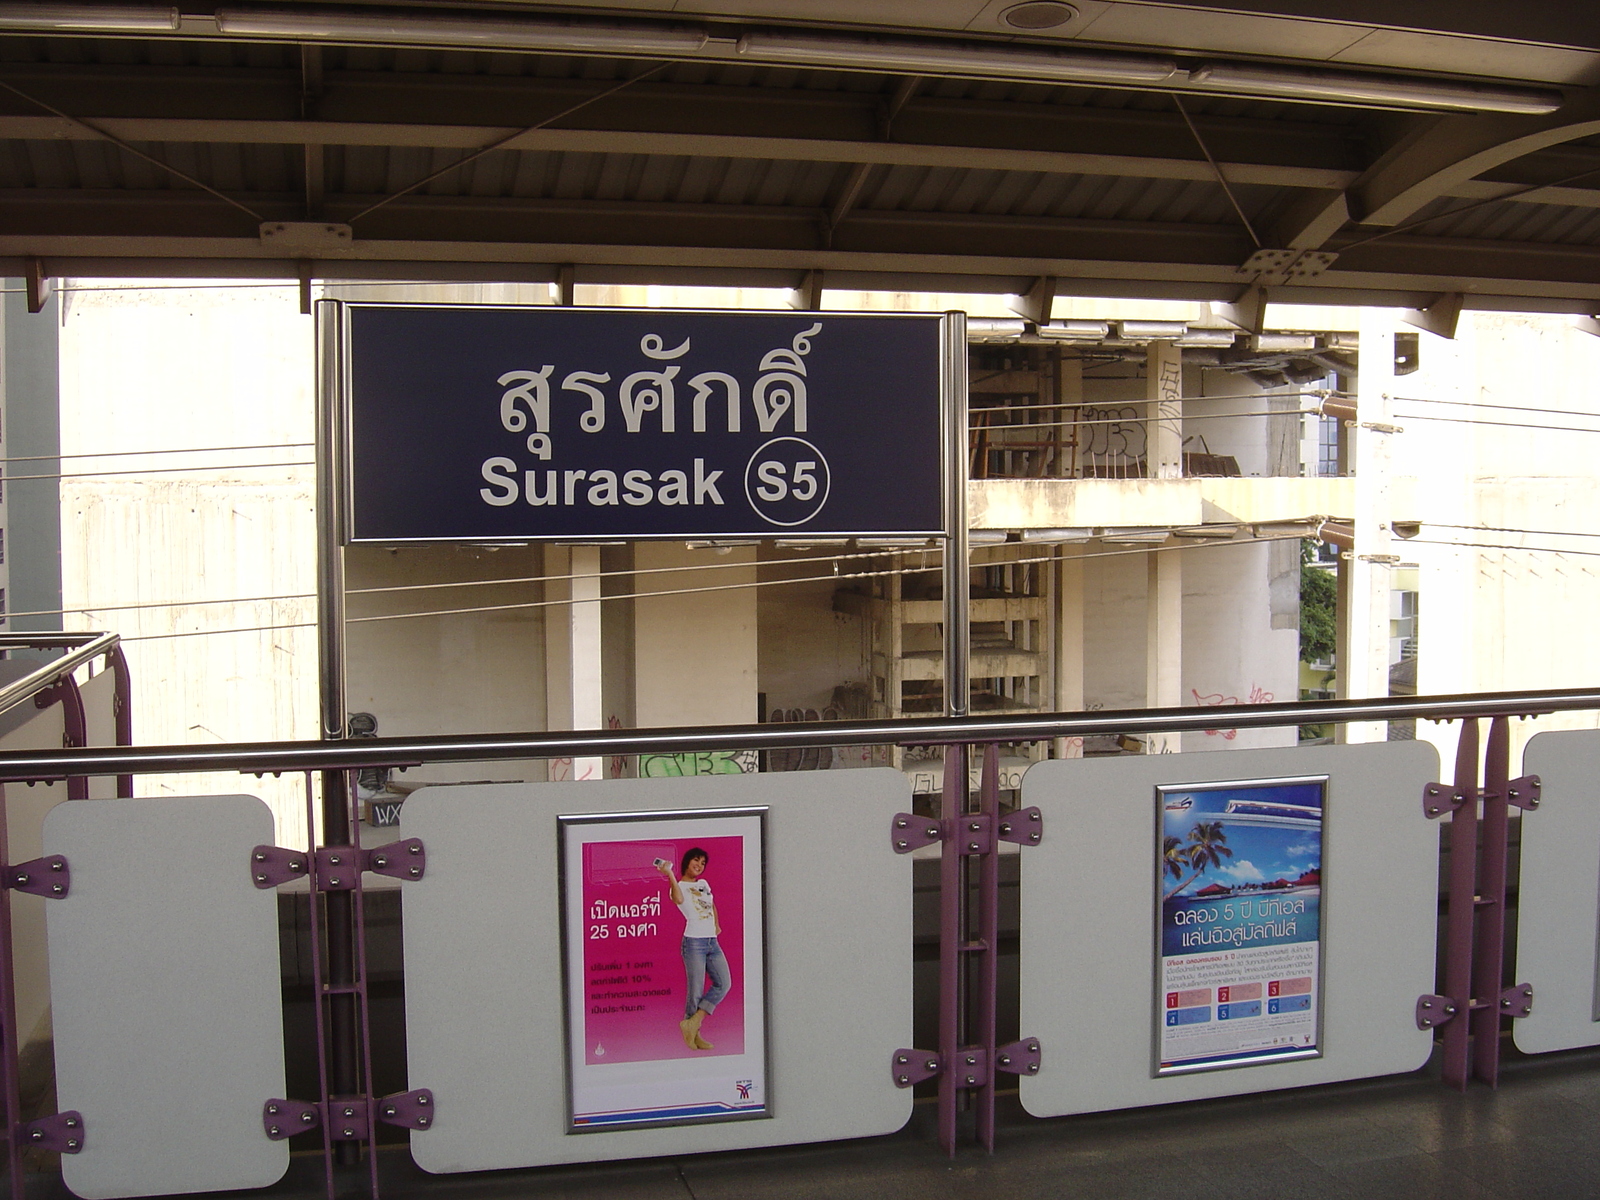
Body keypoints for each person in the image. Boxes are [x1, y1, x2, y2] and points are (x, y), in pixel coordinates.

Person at [656, 846, 729, 1051]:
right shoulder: (677, 887)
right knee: (695, 990)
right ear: (687, 862)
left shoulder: (704, 883)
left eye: (703, 863)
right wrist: (669, 873)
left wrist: (716, 923)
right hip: (694, 942)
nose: (699, 865)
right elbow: (678, 899)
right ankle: (693, 1035)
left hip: (712, 942)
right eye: (696, 861)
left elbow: (711, 903)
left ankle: (692, 1022)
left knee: (724, 983)